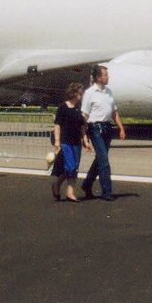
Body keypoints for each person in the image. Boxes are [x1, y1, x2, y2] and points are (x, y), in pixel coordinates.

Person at [80, 64, 125, 201]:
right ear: (99, 77)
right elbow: (84, 115)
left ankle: (87, 184)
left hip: (107, 128)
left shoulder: (108, 92)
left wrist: (121, 128)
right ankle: (106, 191)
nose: (108, 77)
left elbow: (114, 112)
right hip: (95, 128)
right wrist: (85, 136)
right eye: (105, 75)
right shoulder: (89, 93)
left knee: (100, 158)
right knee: (104, 160)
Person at [52, 82, 90, 202]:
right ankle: (57, 184)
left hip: (76, 142)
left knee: (75, 168)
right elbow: (57, 125)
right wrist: (57, 140)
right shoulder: (63, 107)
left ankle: (70, 192)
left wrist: (86, 141)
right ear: (74, 94)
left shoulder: (79, 109)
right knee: (70, 166)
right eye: (80, 93)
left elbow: (82, 127)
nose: (82, 95)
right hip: (65, 141)